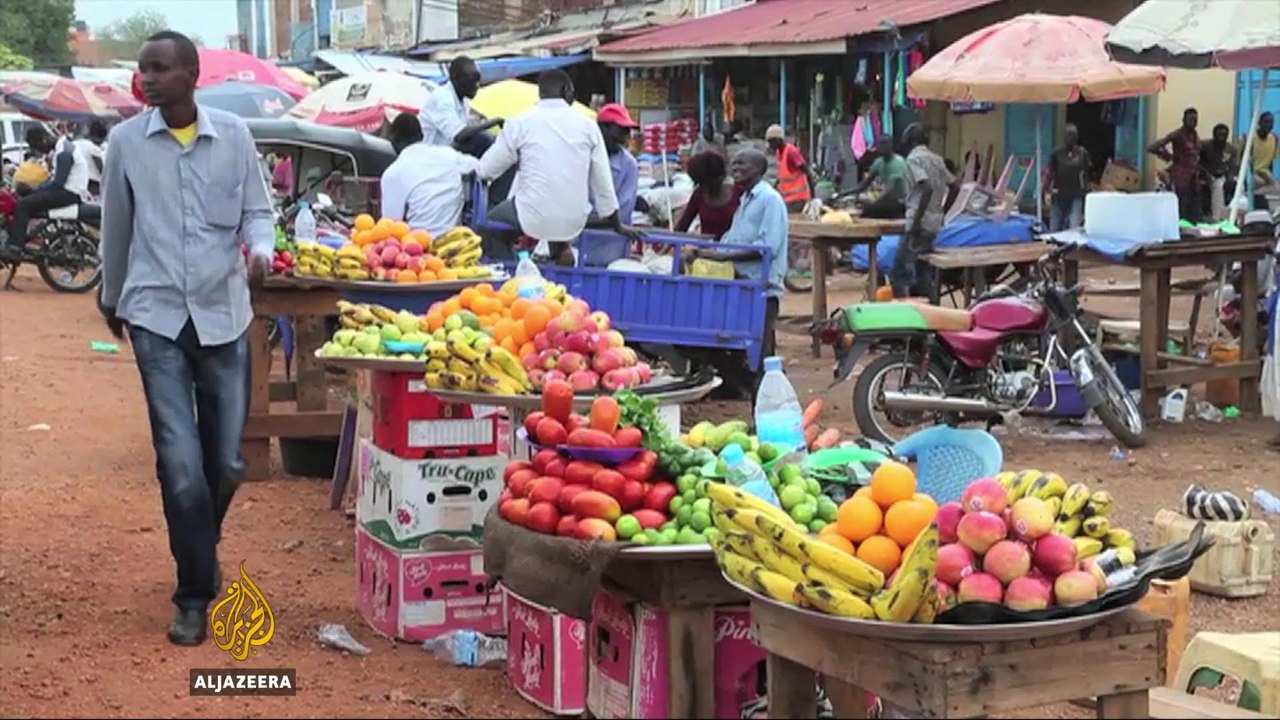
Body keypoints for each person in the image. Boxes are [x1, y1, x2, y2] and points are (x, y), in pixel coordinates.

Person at [98, 30, 275, 647]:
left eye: (158, 68)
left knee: (224, 463)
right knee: (180, 467)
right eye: (142, 68)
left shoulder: (234, 136)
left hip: (224, 315)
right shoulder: (124, 143)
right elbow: (115, 226)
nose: (145, 78)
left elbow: (259, 211)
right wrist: (111, 294)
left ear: (191, 75)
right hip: (155, 316)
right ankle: (195, 593)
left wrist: (262, 254)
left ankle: (198, 539)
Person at [478, 69, 629, 265]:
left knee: (490, 228)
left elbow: (486, 170)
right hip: (573, 221)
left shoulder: (521, 122)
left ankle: (511, 274)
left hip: (531, 217)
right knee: (553, 216)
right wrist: (617, 224)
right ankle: (559, 260)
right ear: (566, 90)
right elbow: (603, 184)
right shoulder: (588, 126)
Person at [685, 148, 788, 394]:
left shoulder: (769, 200)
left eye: (742, 164)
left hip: (761, 288)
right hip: (740, 284)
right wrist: (704, 250)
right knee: (718, 342)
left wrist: (719, 255)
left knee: (761, 356)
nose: (735, 168)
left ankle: (764, 411)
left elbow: (767, 248)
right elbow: (732, 239)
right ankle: (745, 388)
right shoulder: (745, 200)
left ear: (758, 168)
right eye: (734, 164)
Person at [380, 112, 479, 240]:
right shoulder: (448, 155)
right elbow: (478, 166)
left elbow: (391, 224)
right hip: (454, 241)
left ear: (393, 139)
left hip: (416, 248)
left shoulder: (393, 173)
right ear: (422, 135)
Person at [2, 125, 90, 260]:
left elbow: (57, 183)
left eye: (36, 146)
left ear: (43, 139)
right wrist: (33, 188)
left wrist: (34, 189)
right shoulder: (61, 148)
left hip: (68, 193)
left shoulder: (63, 153)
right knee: (23, 198)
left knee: (23, 205)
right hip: (66, 191)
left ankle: (15, 247)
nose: (39, 151)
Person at [894, 122, 953, 299]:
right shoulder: (938, 160)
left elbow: (925, 187)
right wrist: (943, 212)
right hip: (934, 222)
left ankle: (902, 315)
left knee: (899, 272)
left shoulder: (913, 160)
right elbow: (955, 187)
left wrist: (917, 222)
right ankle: (932, 307)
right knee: (922, 270)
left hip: (919, 224)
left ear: (908, 141)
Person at [418, 55, 501, 155]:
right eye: (472, 80)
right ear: (456, 77)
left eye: (478, 80)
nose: (477, 85)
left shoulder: (463, 100)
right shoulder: (442, 98)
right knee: (481, 139)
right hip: (430, 156)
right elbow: (459, 135)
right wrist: (495, 122)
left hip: (447, 153)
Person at [1149, 107, 1203, 222]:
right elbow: (1152, 147)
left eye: (1195, 120)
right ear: (1183, 119)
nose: (1193, 122)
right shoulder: (1177, 135)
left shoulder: (1195, 135)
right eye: (1190, 119)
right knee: (1182, 203)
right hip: (1181, 175)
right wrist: (1167, 156)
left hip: (1194, 175)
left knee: (1195, 205)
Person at [675, 150, 741, 239]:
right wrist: (662, 251)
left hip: (734, 249)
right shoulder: (699, 194)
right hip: (706, 249)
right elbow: (682, 227)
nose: (702, 187)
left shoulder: (739, 193)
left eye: (705, 184)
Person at [591, 103, 639, 224]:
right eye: (621, 130)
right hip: (579, 240)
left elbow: (623, 214)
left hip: (612, 241)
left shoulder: (628, 165)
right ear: (602, 129)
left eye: (628, 131)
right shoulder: (583, 157)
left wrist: (583, 222)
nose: (625, 137)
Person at [1045, 123, 1092, 232]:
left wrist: (1086, 189)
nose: (1071, 138)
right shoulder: (1056, 154)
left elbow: (1086, 173)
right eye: (1068, 135)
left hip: (1076, 194)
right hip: (1059, 194)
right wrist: (1046, 189)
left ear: (1077, 137)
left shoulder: (1082, 153)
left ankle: (1072, 248)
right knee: (1055, 227)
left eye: (1073, 135)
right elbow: (1049, 173)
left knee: (1074, 226)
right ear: (1064, 137)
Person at [852, 135, 908, 219]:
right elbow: (863, 185)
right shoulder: (878, 162)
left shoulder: (898, 162)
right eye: (880, 144)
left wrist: (873, 203)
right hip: (887, 201)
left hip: (900, 203)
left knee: (868, 211)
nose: (881, 147)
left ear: (891, 146)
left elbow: (889, 189)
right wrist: (843, 195)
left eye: (884, 144)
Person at [765, 124, 817, 212]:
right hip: (787, 198)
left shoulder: (791, 152)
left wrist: (813, 197)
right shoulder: (779, 153)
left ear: (779, 140)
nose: (770, 145)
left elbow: (807, 172)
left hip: (797, 198)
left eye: (771, 142)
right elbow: (781, 177)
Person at [1201, 123, 1239, 221]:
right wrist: (1206, 174)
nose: (1221, 138)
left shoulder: (1231, 149)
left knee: (1239, 186)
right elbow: (1197, 162)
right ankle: (1217, 218)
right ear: (1214, 135)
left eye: (1224, 135)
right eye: (1219, 135)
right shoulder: (1205, 146)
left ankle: (1235, 217)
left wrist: (1230, 177)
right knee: (1218, 186)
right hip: (1208, 175)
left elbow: (1233, 166)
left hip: (1224, 175)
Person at [1248, 111, 1277, 210]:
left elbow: (1271, 161)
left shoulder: (1274, 139)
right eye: (1266, 122)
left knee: (1275, 186)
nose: (1268, 125)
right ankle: (1251, 195)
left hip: (1264, 173)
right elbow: (1244, 161)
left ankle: (1252, 194)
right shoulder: (1250, 138)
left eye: (1271, 122)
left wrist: (1269, 177)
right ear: (1259, 123)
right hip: (1252, 172)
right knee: (1258, 182)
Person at [75, 119, 109, 194]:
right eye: (102, 140)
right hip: (93, 184)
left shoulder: (76, 143)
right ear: (97, 137)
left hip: (76, 181)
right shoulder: (93, 148)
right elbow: (102, 171)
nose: (102, 142)